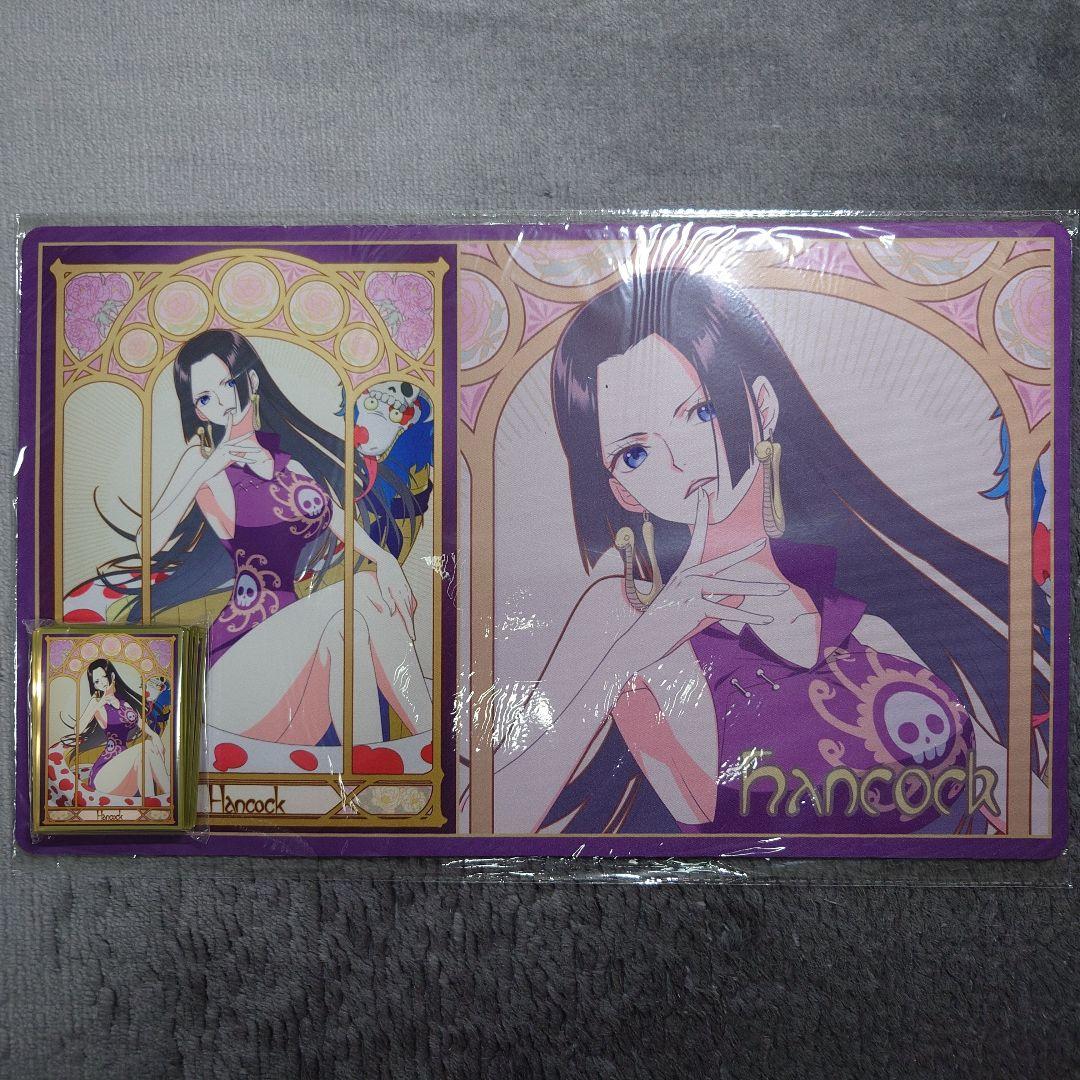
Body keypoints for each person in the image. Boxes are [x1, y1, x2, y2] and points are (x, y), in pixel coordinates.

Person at [490, 268, 1047, 835]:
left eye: (701, 413)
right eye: (635, 454)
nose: (679, 463)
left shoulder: (859, 617)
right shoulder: (625, 611)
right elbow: (493, 807)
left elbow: (1004, 792)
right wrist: (642, 643)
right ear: (621, 489)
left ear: (761, 405)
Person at [103, 329, 431, 747]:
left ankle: (374, 764)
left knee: (347, 631)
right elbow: (144, 544)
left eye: (227, 383)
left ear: (252, 380)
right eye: (204, 398)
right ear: (197, 410)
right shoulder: (200, 462)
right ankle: (429, 740)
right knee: (363, 591)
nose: (222, 402)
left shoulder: (289, 464)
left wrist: (385, 560)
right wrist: (209, 468)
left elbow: (339, 519)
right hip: (239, 664)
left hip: (294, 659)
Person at [79, 660, 169, 797]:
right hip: (105, 773)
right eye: (96, 681)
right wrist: (99, 703)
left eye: (103, 677)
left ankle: (155, 799)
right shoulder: (96, 703)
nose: (101, 683)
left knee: (145, 753)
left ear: (112, 676)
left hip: (125, 768)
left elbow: (139, 722)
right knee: (146, 746)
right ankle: (167, 795)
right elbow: (77, 730)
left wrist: (155, 735)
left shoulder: (125, 703)